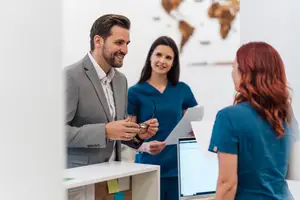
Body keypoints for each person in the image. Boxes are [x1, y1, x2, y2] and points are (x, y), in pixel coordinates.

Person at [65, 14, 158, 168]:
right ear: (98, 41)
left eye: (127, 43)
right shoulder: (71, 77)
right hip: (80, 178)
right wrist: (104, 131)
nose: (125, 50)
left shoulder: (121, 80)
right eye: (119, 43)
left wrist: (137, 134)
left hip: (114, 178)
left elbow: (117, 132)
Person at [208, 42, 299, 200]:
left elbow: (227, 184)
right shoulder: (286, 114)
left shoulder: (228, 117)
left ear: (246, 73)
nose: (232, 73)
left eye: (234, 67)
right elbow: (293, 170)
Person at [127, 36, 198, 200]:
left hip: (177, 168)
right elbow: (128, 136)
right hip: (147, 167)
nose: (162, 61)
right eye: (158, 55)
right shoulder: (135, 92)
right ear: (150, 56)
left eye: (168, 57)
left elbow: (195, 121)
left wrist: (194, 132)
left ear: (174, 62)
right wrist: (144, 146)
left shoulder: (182, 90)